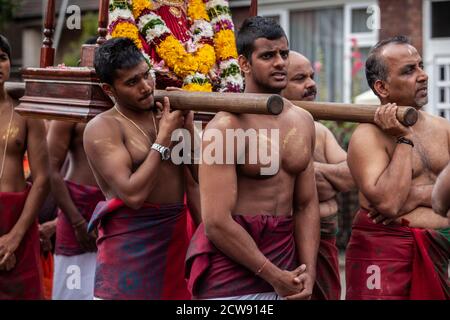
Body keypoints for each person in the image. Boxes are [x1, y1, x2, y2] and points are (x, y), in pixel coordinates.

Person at [185, 16, 320, 300]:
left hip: (288, 267)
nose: (281, 62)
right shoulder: (225, 126)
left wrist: (308, 272)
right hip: (232, 276)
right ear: (244, 64)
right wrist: (274, 276)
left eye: (283, 53)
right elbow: (217, 222)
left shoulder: (303, 120)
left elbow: (306, 204)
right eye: (268, 55)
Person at [84, 37, 198, 299]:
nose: (146, 87)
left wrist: (189, 129)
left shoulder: (166, 115)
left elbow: (198, 176)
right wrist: (163, 139)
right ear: (108, 89)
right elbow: (133, 196)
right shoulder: (102, 128)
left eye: (147, 75)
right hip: (127, 252)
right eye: (132, 82)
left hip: (173, 244)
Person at [346, 36, 450, 300]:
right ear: (382, 87)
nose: (423, 76)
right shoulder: (367, 136)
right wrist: (404, 138)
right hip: (387, 257)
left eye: (420, 66)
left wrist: (415, 195)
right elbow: (390, 204)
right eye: (409, 70)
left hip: (441, 252)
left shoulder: (443, 128)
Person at [281, 51, 355, 300]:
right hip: (283, 239)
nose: (311, 84)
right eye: (300, 78)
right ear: (279, 84)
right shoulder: (264, 129)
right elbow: (322, 188)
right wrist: (324, 175)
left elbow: (349, 177)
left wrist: (306, 168)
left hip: (325, 237)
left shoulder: (319, 131)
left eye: (312, 76)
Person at [0, 34, 50, 299]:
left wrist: (15, 237)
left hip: (18, 219)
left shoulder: (26, 112)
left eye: (2, 58)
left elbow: (43, 178)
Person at [47, 118, 105, 300]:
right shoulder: (72, 108)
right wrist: (78, 223)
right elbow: (50, 171)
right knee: (72, 289)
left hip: (116, 211)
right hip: (76, 209)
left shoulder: (129, 104)